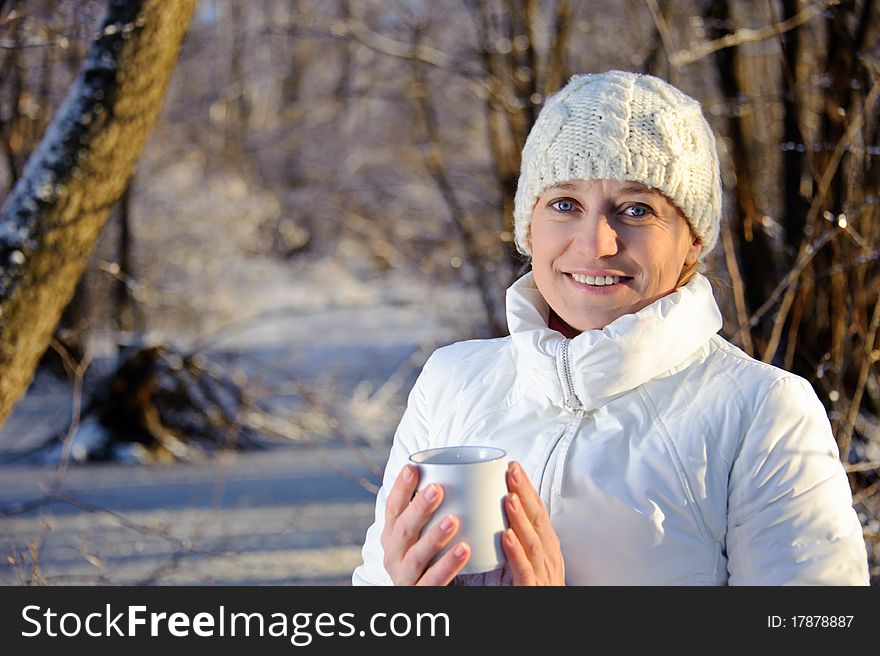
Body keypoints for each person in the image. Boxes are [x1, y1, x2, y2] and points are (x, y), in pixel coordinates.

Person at [352, 70, 870, 586]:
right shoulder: (452, 382)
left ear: (692, 240)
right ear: (528, 226)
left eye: (636, 209)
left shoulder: (761, 412)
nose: (595, 242)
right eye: (564, 204)